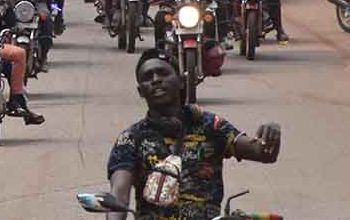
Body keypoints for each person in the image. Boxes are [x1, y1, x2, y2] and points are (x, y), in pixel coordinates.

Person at [105, 48, 280, 220]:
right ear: (140, 91)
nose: (155, 80)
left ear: (181, 81)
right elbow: (119, 195)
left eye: (163, 73)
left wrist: (271, 136)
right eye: (147, 77)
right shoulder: (131, 139)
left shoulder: (211, 125)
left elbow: (264, 153)